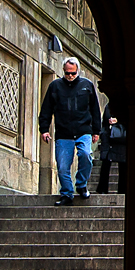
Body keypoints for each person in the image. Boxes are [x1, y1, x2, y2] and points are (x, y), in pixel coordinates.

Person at [37, 57, 101, 204]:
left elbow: (95, 109)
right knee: (63, 166)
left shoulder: (87, 85)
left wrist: (96, 131)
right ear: (63, 72)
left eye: (73, 73)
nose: (70, 76)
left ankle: (81, 184)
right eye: (67, 73)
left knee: (85, 155)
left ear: (77, 71)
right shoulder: (55, 86)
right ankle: (66, 193)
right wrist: (44, 129)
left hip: (83, 129)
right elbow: (46, 109)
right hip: (63, 131)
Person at [97, 112, 127, 194]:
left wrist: (118, 120)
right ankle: (102, 189)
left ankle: (122, 190)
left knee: (123, 164)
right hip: (108, 138)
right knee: (106, 163)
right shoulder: (109, 107)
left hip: (122, 138)